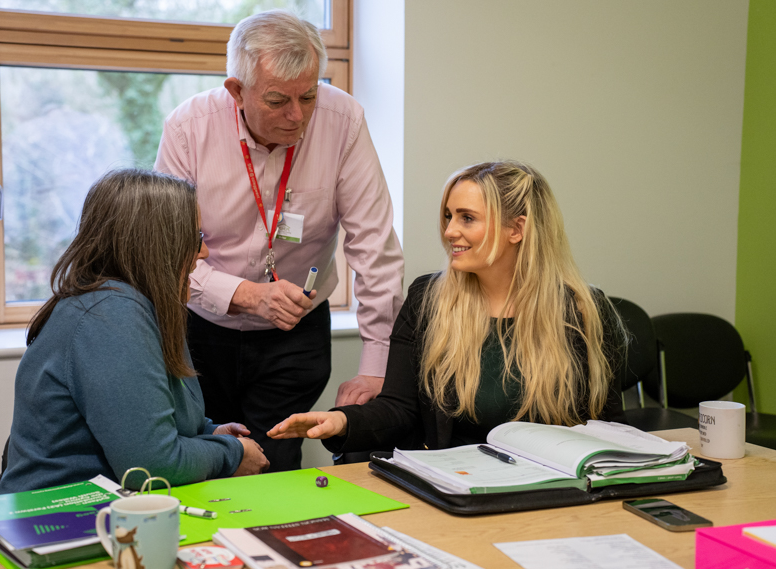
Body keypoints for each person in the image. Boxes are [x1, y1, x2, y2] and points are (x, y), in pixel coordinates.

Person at [154, 9, 404, 471]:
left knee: (275, 460)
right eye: (277, 101)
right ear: (236, 91)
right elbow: (164, 255)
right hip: (200, 328)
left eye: (307, 96)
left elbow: (375, 247)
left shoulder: (342, 120)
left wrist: (376, 364)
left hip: (296, 333)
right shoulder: (189, 129)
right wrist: (246, 295)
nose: (297, 117)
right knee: (204, 455)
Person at [268, 161, 626, 453]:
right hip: (455, 485)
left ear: (516, 229)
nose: (450, 231)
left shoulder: (583, 310)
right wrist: (342, 422)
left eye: (466, 218)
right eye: (448, 216)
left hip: (552, 488)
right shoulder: (428, 300)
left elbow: (607, 430)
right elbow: (399, 409)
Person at [0, 169, 269, 494]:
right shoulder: (110, 314)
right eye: (195, 239)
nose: (203, 253)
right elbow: (151, 467)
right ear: (156, 244)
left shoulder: (134, 304)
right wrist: (232, 454)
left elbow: (152, 423)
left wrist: (212, 435)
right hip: (58, 519)